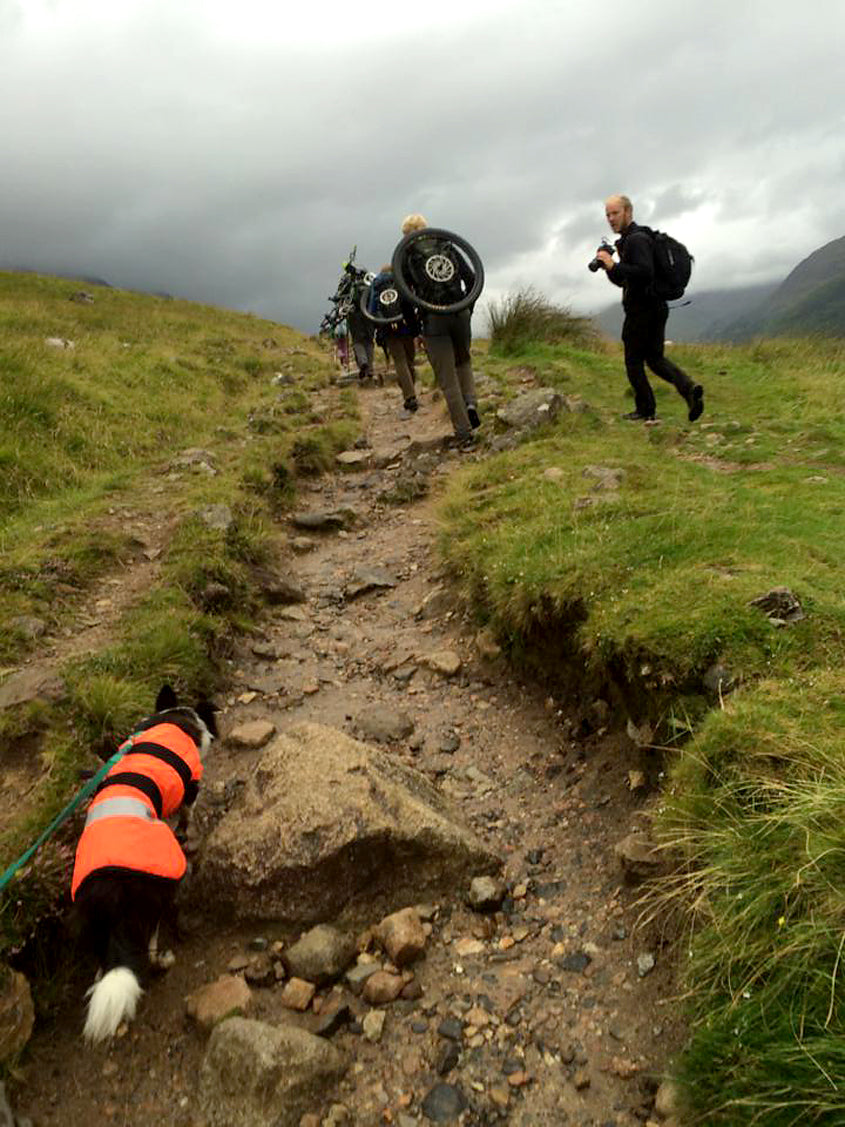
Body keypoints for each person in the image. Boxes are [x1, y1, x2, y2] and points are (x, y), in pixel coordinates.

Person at [597, 195, 704, 423]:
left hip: (642, 310)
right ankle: (689, 389)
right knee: (655, 359)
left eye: (615, 213)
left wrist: (615, 265)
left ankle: (645, 409)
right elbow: (626, 280)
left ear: (628, 212)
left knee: (633, 361)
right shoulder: (635, 239)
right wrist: (609, 267)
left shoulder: (636, 240)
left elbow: (644, 272)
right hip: (655, 307)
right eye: (607, 214)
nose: (610, 218)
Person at [398, 214, 480, 447]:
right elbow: (471, 276)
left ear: (405, 234)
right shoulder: (446, 243)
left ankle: (464, 435)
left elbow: (405, 298)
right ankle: (471, 403)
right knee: (463, 361)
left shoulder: (406, 254)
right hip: (459, 312)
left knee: (447, 378)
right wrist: (467, 307)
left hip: (433, 318)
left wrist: (415, 331)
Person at [368, 264, 420, 413]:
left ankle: (409, 396)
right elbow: (411, 299)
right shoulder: (400, 280)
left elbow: (372, 310)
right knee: (409, 360)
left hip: (388, 328)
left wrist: (380, 325)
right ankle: (410, 390)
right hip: (406, 324)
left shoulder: (376, 286)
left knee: (399, 361)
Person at [345, 298, 376, 383]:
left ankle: (363, 363)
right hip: (368, 315)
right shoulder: (368, 287)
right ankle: (370, 369)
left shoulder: (348, 288)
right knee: (369, 343)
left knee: (357, 343)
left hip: (354, 318)